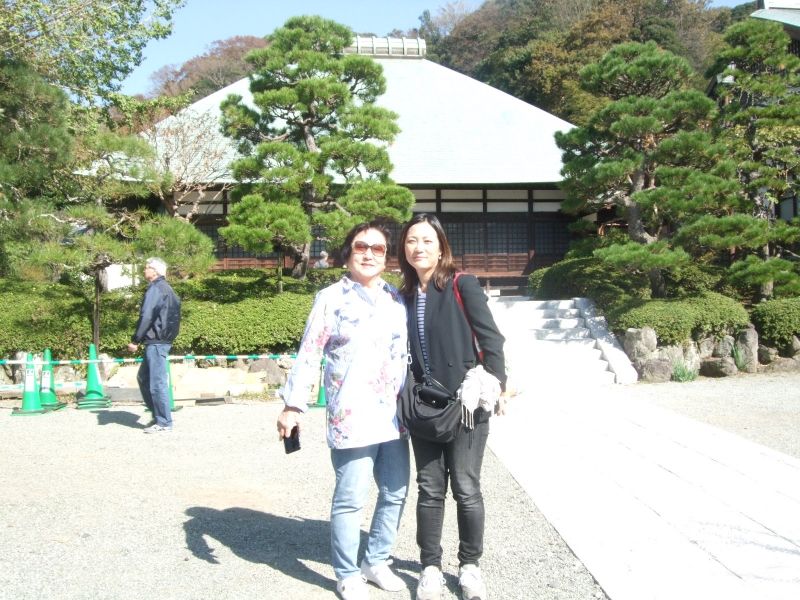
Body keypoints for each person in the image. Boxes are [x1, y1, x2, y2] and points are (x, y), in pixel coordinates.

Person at [277, 221, 410, 600]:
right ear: (347, 252)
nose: (369, 254)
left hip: (394, 416)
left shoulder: (395, 299)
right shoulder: (330, 298)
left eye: (378, 248)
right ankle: (347, 572)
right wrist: (293, 405)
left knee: (396, 491)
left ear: (387, 256)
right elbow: (310, 353)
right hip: (350, 414)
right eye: (361, 246)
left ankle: (376, 560)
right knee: (351, 497)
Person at [398, 214, 508, 600]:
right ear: (404, 248)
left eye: (427, 240)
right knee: (429, 489)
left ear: (442, 246)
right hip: (425, 406)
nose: (419, 248)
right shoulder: (406, 295)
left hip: (465, 405)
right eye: (412, 241)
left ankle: (469, 566)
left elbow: (492, 340)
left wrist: (496, 386)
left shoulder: (463, 284)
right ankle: (429, 567)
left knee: (465, 486)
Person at [127, 257, 181, 434]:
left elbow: (147, 315)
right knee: (144, 377)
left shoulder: (156, 289)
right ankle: (158, 416)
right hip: (161, 340)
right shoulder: (169, 290)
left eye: (147, 268)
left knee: (156, 382)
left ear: (155, 271)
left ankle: (164, 422)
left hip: (156, 341)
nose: (144, 270)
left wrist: (136, 340)